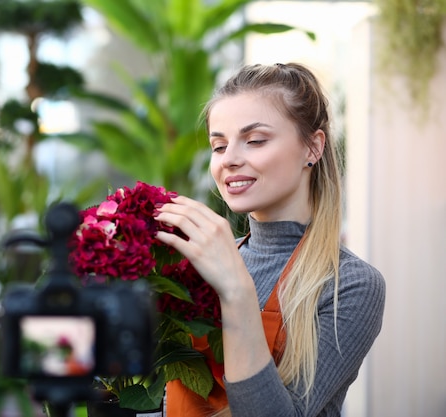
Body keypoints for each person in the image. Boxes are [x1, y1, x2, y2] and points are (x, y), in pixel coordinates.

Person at [154, 62, 386, 417]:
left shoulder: (350, 285)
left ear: (313, 147)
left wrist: (235, 291)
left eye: (255, 140)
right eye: (218, 146)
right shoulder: (200, 263)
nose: (229, 159)